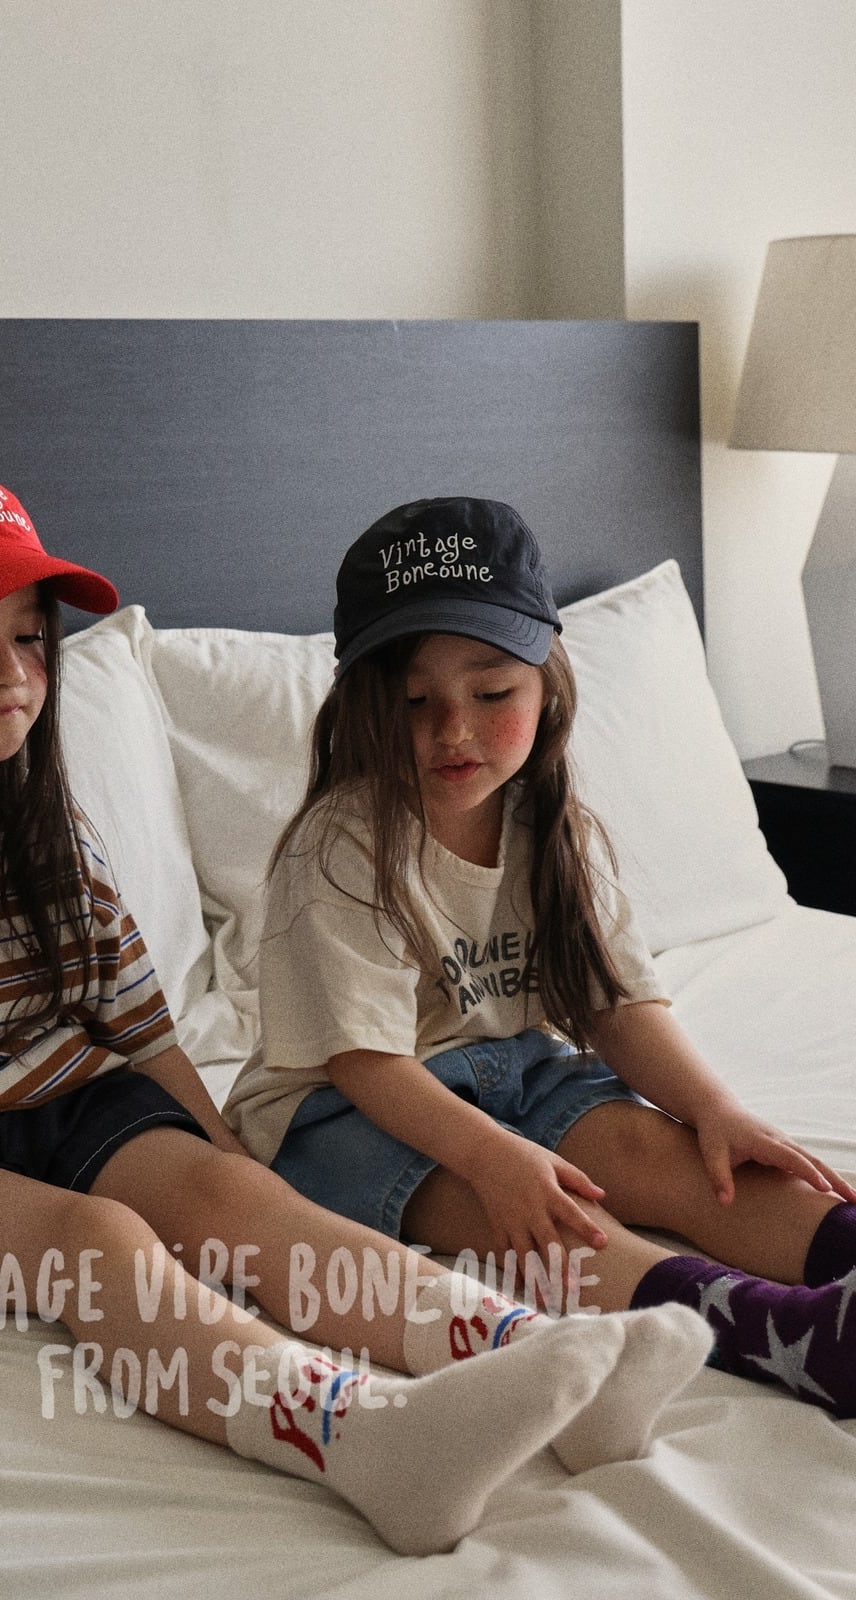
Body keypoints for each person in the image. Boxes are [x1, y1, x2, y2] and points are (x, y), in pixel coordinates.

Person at [0, 459, 712, 1558]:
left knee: (240, 1196)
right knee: (97, 1240)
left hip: (74, 1099)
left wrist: (224, 1147)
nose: (12, 672)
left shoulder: (39, 820)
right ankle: (360, 1438)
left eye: (26, 636)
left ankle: (534, 1356)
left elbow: (133, 1014)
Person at [225, 495, 856, 1418]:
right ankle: (778, 1334)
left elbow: (617, 1005)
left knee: (661, 1147)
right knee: (538, 1215)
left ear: (546, 686)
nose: (453, 731)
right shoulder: (342, 846)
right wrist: (496, 1158)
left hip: (509, 1069)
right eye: (412, 701)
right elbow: (364, 1062)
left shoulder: (553, 827)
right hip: (341, 1110)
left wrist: (714, 1108)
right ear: (361, 704)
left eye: (492, 695)